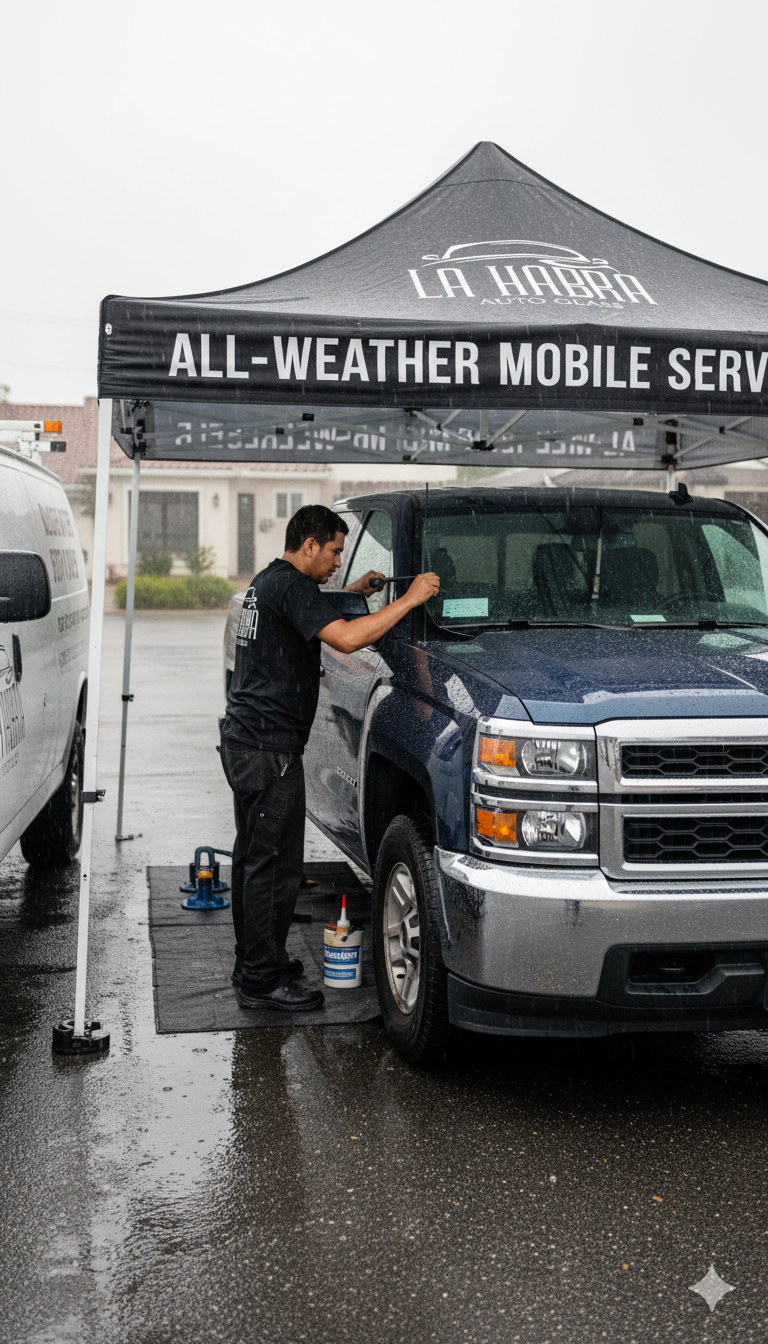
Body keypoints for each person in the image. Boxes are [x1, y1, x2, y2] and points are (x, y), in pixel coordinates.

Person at [219, 503, 440, 1012]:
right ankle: (262, 980)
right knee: (274, 867)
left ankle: (255, 961)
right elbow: (346, 637)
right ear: (310, 545)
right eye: (335, 551)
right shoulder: (294, 588)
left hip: (248, 742)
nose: (338, 560)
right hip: (269, 749)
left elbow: (316, 605)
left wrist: (354, 593)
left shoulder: (270, 581)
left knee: (254, 858)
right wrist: (407, 600)